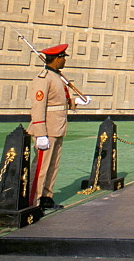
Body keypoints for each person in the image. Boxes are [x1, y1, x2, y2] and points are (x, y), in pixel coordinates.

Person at [27, 43, 87, 210]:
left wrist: (75, 102)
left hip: (58, 128)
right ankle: (34, 200)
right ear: (56, 59)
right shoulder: (43, 78)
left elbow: (59, 103)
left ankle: (46, 196)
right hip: (46, 129)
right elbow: (38, 106)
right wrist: (40, 133)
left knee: (52, 166)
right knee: (41, 168)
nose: (64, 61)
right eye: (63, 58)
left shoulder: (56, 77)